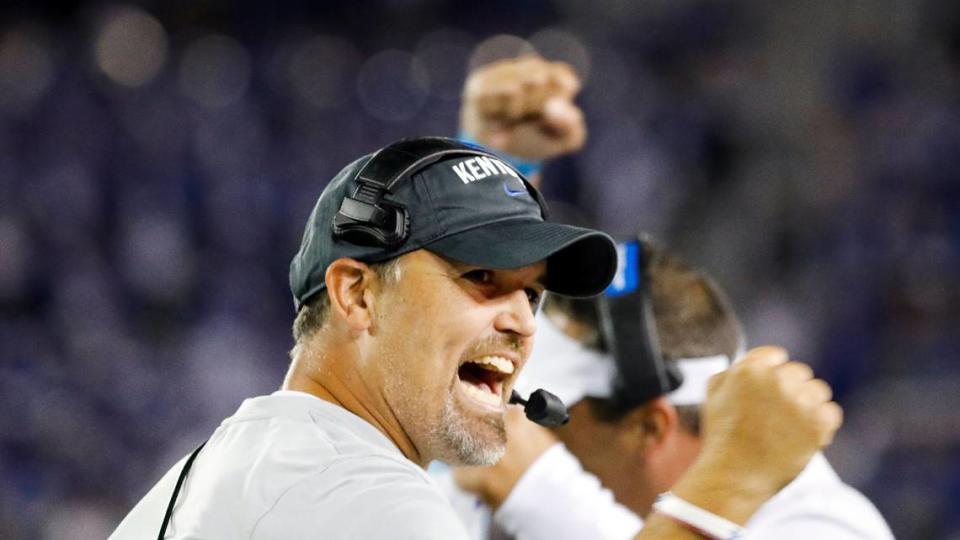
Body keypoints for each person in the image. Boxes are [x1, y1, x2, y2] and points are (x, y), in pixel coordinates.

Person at [111, 136, 841, 539]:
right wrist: (727, 482)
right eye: (482, 278)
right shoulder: (354, 493)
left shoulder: (254, 459)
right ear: (356, 294)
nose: (523, 319)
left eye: (531, 290)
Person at [448, 56, 892, 539]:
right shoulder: (691, 376)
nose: (515, 430)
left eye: (542, 414)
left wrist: (538, 491)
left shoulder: (823, 526)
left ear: (652, 428)